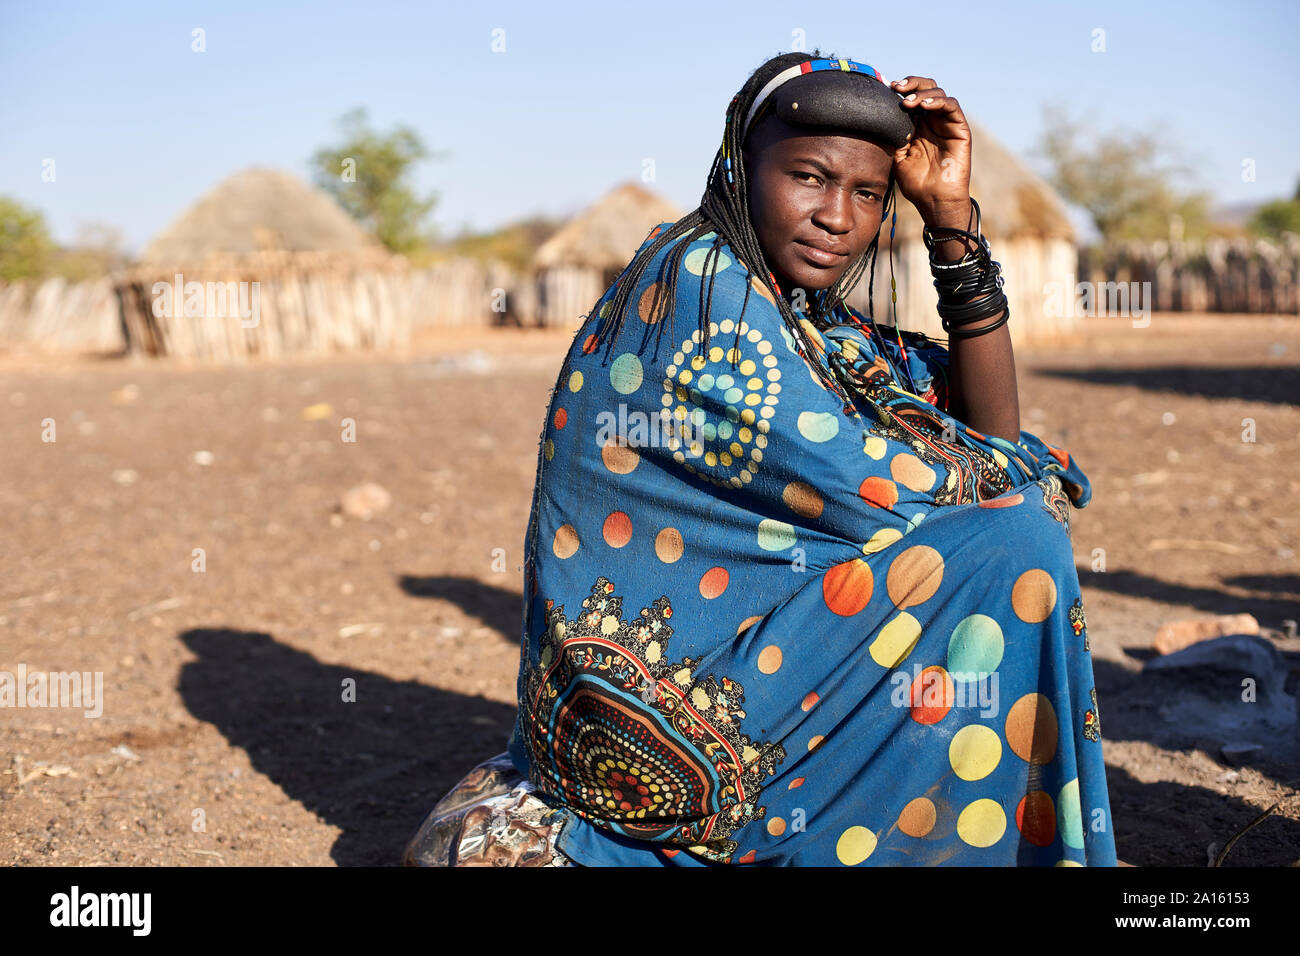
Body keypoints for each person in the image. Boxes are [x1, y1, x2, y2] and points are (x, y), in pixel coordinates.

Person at [417, 50, 1116, 867]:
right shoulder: (701, 285)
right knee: (1012, 544)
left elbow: (987, 431)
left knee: (1007, 536)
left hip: (724, 688)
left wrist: (951, 219)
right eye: (810, 177)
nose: (838, 217)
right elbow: (901, 489)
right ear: (742, 169)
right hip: (650, 733)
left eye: (867, 194)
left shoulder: (811, 319)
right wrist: (1010, 481)